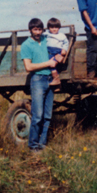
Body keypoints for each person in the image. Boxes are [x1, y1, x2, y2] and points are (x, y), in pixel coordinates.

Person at [20, 18, 58, 152]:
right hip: (38, 80)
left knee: (48, 115)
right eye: (35, 29)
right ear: (30, 30)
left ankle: (42, 145)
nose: (38, 32)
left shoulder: (46, 40)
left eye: (40, 29)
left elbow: (59, 40)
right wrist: (48, 63)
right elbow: (28, 67)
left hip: (50, 79)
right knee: (38, 115)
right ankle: (33, 146)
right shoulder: (26, 45)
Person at [45, 17, 69, 88]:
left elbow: (66, 43)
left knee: (52, 64)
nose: (54, 29)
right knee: (50, 62)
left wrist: (64, 49)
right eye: (52, 27)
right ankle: (57, 81)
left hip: (57, 51)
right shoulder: (46, 34)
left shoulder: (61, 35)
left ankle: (56, 79)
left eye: (56, 27)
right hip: (49, 51)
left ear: (59, 28)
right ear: (48, 28)